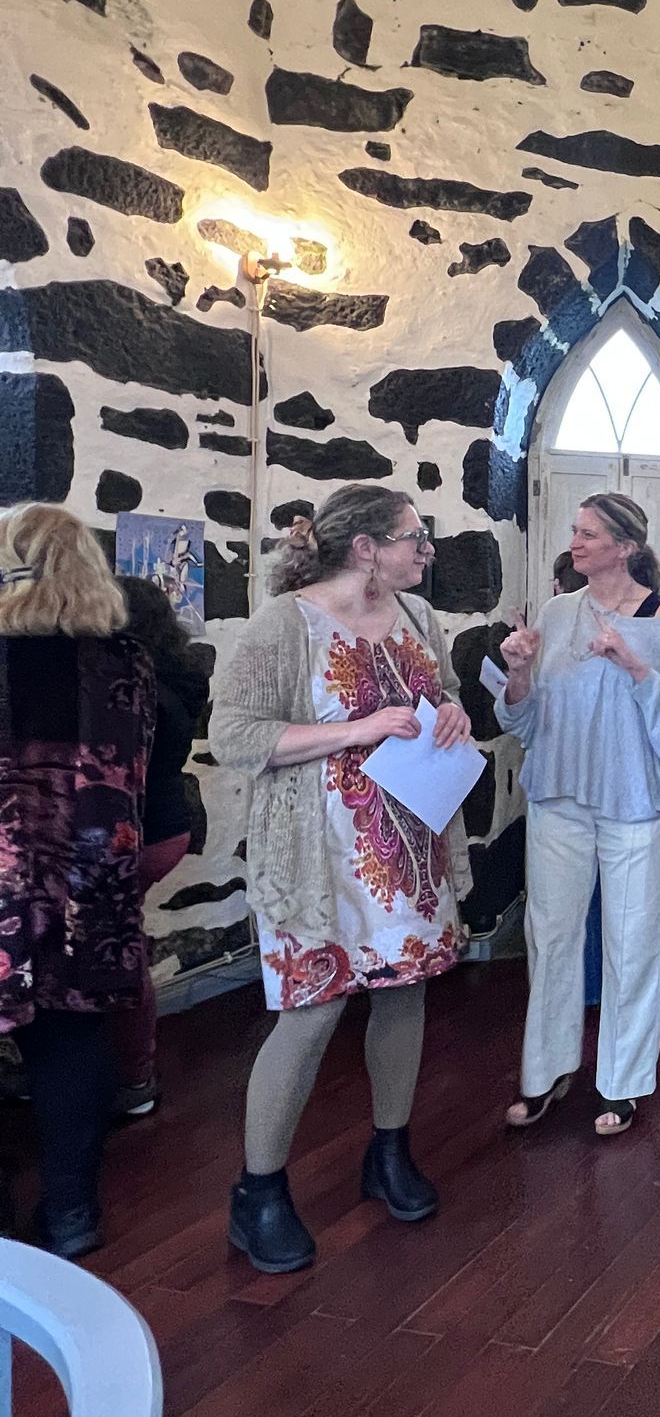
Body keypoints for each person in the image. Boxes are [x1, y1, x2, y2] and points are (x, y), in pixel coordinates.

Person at [210, 486, 475, 1273]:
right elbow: (233, 734)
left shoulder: (419, 617)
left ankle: (388, 1151)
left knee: (404, 994)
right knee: (311, 1013)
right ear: (366, 547)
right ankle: (258, 1191)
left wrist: (453, 712)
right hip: (317, 862)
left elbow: (443, 694)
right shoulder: (285, 623)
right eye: (413, 537)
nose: (426, 550)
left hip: (410, 850)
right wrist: (359, 729)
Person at [499, 493, 660, 1135]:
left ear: (626, 547)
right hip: (559, 797)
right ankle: (546, 1072)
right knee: (551, 936)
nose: (576, 542)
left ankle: (623, 1083)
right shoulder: (557, 613)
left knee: (633, 942)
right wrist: (518, 673)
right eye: (575, 531)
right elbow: (524, 718)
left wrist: (635, 665)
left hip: (634, 803)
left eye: (589, 533)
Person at [0, 506, 154, 1255]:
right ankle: (72, 1215)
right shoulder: (127, 662)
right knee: (73, 1039)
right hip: (92, 880)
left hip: (5, 880)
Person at [111, 573, 211, 1118]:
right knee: (120, 938)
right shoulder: (179, 675)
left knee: (120, 946)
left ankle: (135, 1075)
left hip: (137, 829)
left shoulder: (136, 685)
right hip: (167, 824)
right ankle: (129, 1069)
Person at [550, 547, 600, 1006]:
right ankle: (591, 985)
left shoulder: (563, 637)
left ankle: (580, 988)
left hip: (571, 783)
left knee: (572, 898)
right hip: (593, 783)